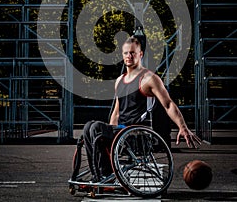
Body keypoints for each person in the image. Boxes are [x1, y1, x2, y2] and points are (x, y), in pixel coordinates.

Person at [83, 36, 201, 181]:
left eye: (133, 52)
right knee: (89, 126)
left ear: (140, 54)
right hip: (121, 132)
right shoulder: (120, 80)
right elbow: (116, 111)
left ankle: (105, 174)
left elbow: (168, 104)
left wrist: (182, 127)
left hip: (137, 134)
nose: (129, 56)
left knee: (95, 127)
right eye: (126, 53)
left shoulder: (148, 78)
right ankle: (100, 173)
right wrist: (110, 135)